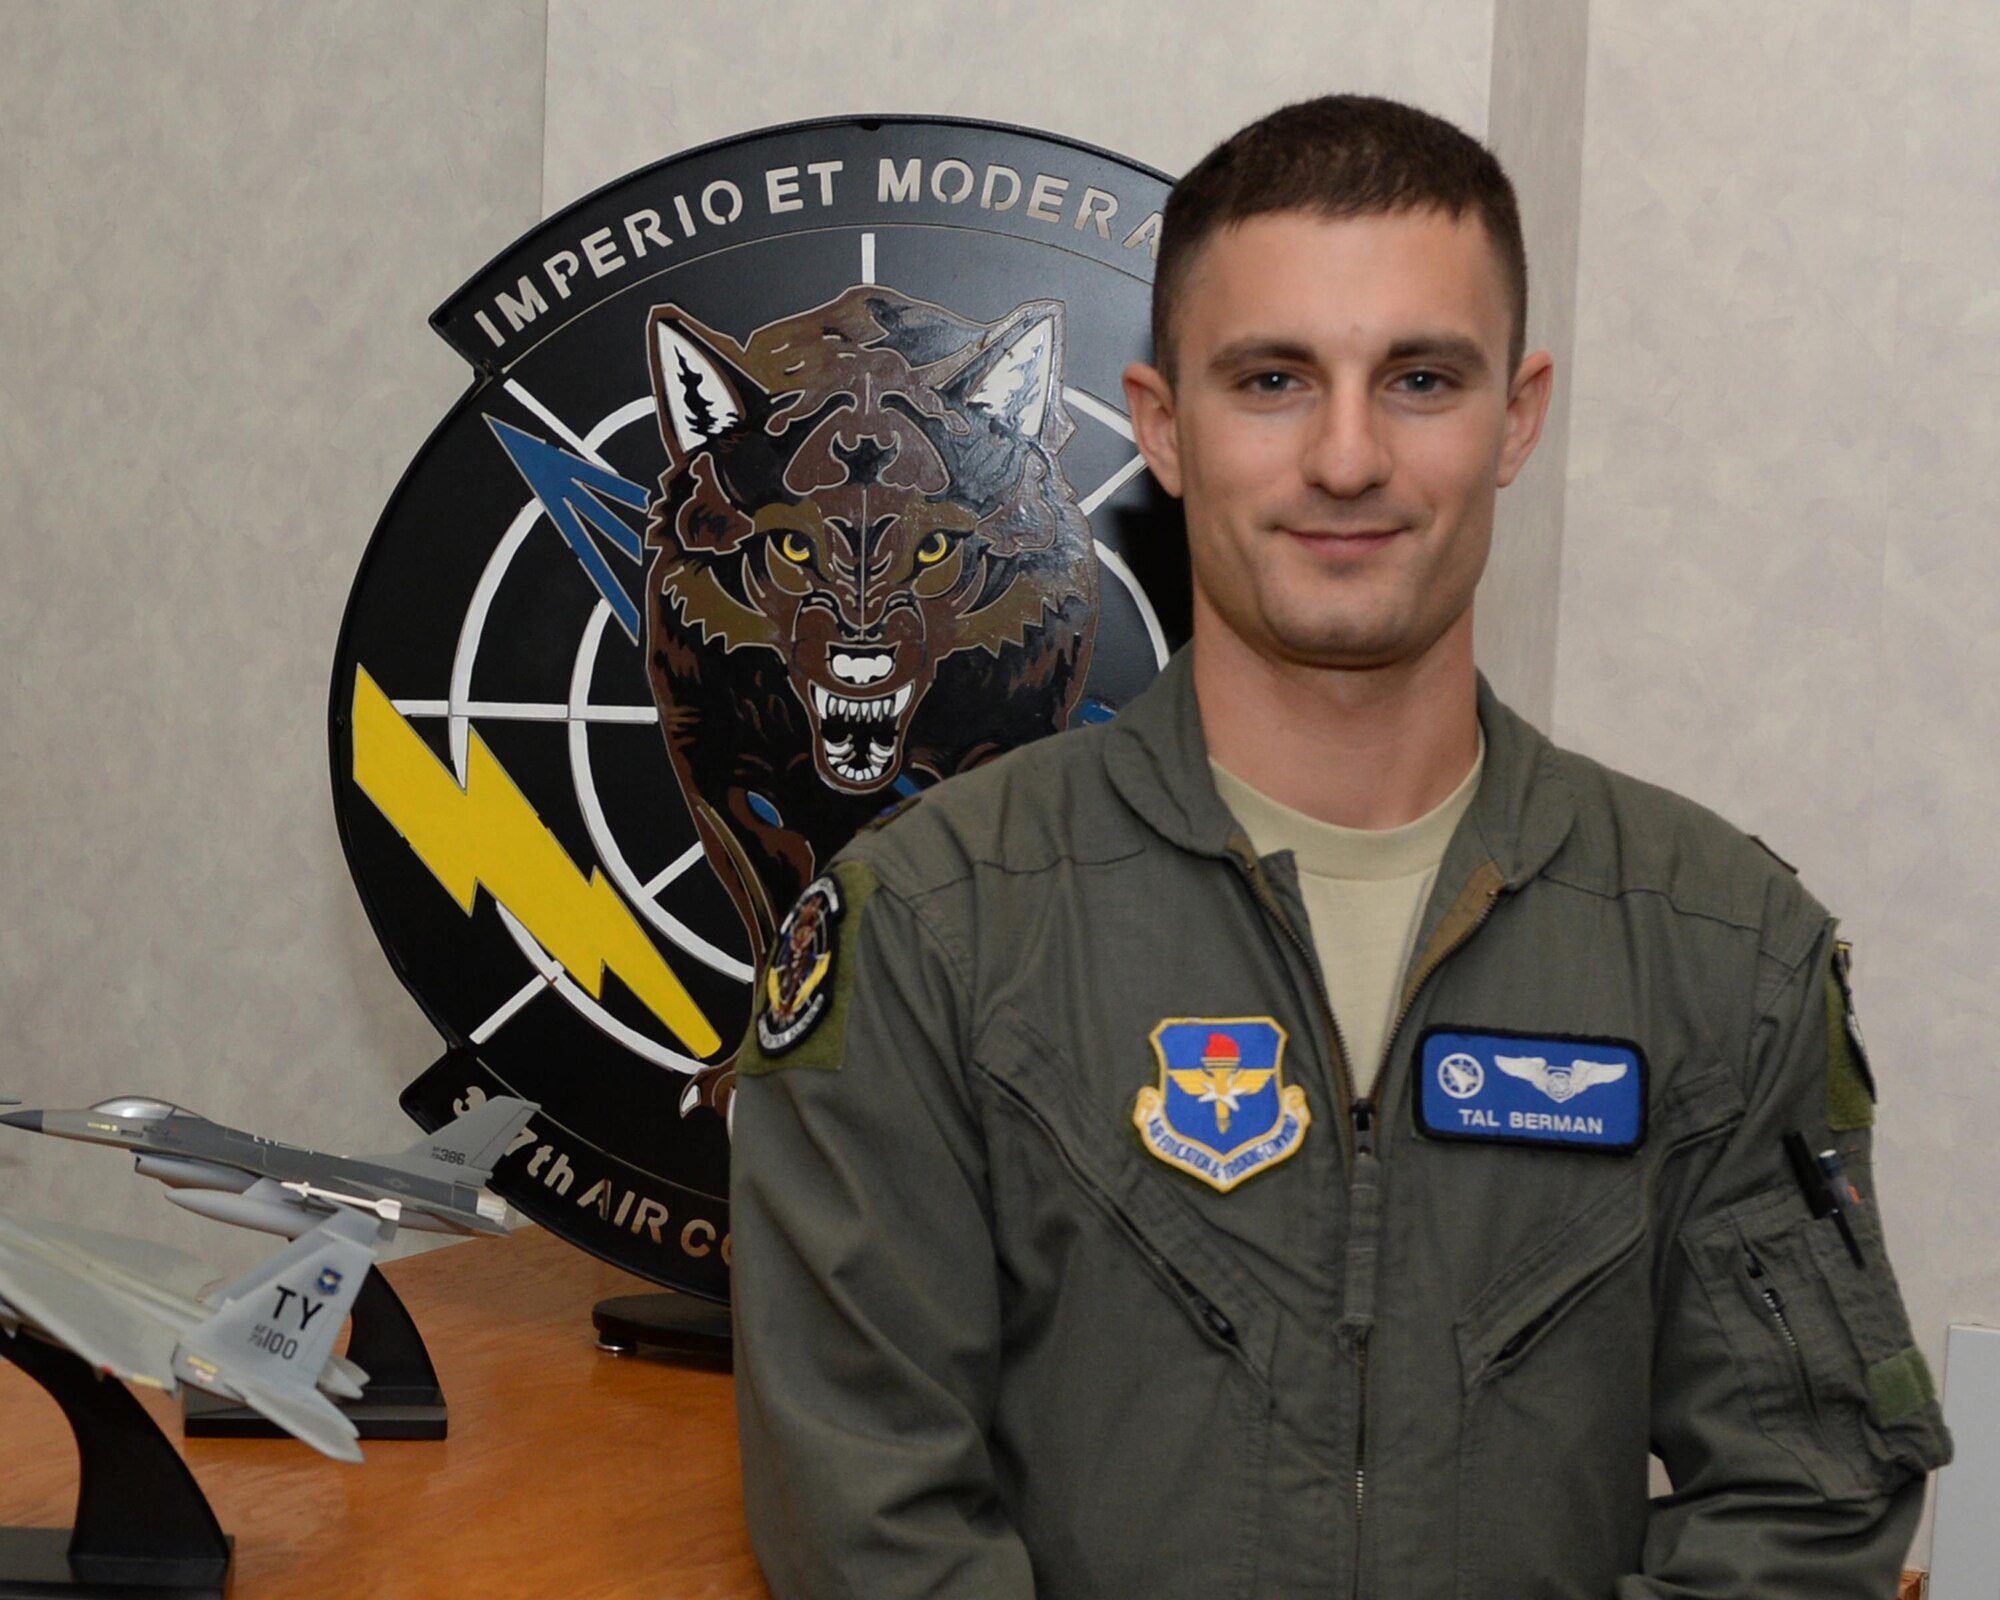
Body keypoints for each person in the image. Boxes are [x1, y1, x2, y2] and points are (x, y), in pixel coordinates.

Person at [728, 95, 1950, 1598]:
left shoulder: (1721, 949)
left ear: (1518, 416)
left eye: (1421, 378)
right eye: (1273, 381)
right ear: (1164, 425)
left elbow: (1808, 1497)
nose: (1350, 456)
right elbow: (869, 1529)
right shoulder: (930, 932)